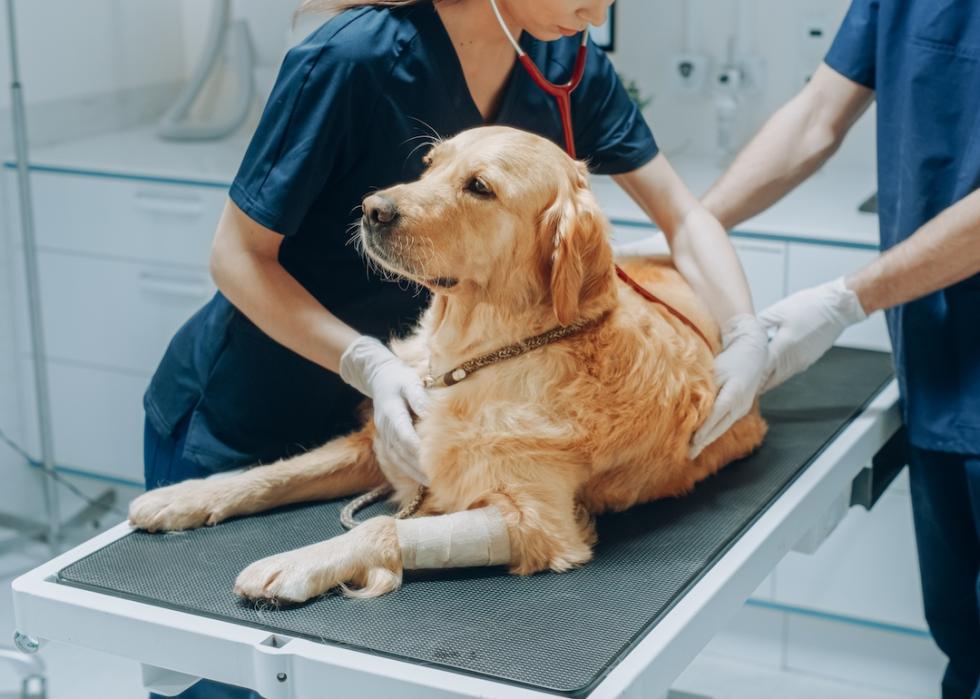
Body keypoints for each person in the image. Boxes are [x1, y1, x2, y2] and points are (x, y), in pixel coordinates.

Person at [142, 1, 767, 695]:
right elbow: (236, 257)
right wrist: (368, 363)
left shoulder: (565, 59)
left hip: (400, 407)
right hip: (249, 405)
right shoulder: (351, 61)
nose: (596, 10)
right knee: (223, 678)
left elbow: (682, 216)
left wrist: (745, 332)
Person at [700, 1, 980, 696]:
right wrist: (694, 230)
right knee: (964, 636)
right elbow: (815, 117)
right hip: (941, 363)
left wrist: (845, 297)